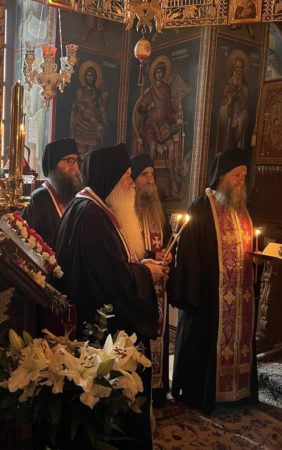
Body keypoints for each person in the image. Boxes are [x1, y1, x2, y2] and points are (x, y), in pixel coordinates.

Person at [54, 143, 169, 449]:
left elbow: (110, 267)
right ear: (111, 178)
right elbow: (111, 281)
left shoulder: (88, 208)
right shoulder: (91, 216)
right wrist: (146, 274)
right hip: (102, 338)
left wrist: (140, 266)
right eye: (127, 175)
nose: (132, 182)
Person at [171, 148, 257, 414]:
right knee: (204, 342)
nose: (241, 180)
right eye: (236, 175)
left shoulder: (243, 210)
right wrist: (193, 295)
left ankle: (238, 393)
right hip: (209, 297)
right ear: (222, 176)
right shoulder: (201, 206)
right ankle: (201, 393)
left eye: (244, 175)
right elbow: (189, 255)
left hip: (239, 297)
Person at [131, 152, 173, 408]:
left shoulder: (159, 210)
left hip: (160, 286)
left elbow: (168, 242)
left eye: (152, 175)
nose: (150, 180)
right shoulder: (125, 209)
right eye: (144, 175)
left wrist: (168, 257)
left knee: (159, 334)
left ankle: (158, 389)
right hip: (138, 286)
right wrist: (149, 255)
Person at [132, 59, 185, 199]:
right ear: (154, 74)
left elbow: (168, 109)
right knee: (153, 146)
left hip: (164, 125)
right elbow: (141, 110)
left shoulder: (167, 89)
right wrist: (146, 107)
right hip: (151, 124)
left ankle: (172, 180)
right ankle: (151, 182)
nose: (159, 74)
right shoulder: (149, 91)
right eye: (157, 72)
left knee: (171, 146)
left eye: (161, 72)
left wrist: (176, 119)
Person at [22, 138, 82, 249]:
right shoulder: (38, 199)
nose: (76, 168)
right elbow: (26, 242)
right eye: (70, 161)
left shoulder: (74, 197)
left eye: (77, 161)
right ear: (54, 164)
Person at [70, 63, 107, 157]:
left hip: (93, 128)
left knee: (92, 156)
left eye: (92, 76)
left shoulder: (98, 93)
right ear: (84, 76)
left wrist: (102, 122)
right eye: (88, 75)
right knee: (80, 156)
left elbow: (102, 109)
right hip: (81, 126)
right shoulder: (80, 91)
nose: (90, 78)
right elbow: (78, 108)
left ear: (95, 77)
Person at [217, 57, 249, 152]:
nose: (238, 70)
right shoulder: (228, 84)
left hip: (240, 112)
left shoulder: (244, 85)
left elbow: (245, 103)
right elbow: (224, 99)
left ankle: (237, 150)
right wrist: (228, 101)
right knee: (223, 111)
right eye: (237, 67)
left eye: (240, 68)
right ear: (234, 68)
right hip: (230, 112)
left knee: (241, 120)